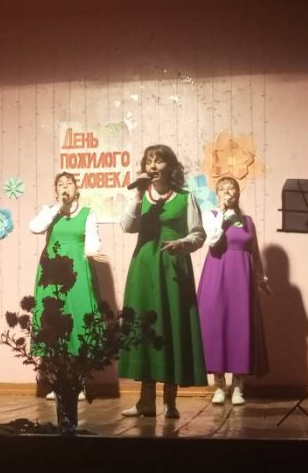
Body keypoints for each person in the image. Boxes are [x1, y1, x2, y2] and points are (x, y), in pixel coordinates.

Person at [118, 144, 207, 419]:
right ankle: (145, 402)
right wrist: (137, 195)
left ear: (171, 166)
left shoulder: (185, 198)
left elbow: (199, 234)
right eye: (149, 161)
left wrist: (183, 243)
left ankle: (170, 402)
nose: (153, 166)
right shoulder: (140, 196)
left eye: (159, 161)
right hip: (144, 268)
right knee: (145, 327)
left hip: (172, 267)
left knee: (171, 327)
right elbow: (127, 226)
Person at [29, 171, 102, 401]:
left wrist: (91, 254)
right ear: (56, 190)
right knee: (53, 322)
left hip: (77, 271)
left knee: (79, 322)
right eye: (60, 184)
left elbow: (93, 244)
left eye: (68, 183)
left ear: (76, 188)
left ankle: (80, 384)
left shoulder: (88, 213)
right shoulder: (49, 212)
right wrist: (57, 208)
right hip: (51, 272)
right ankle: (57, 384)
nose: (64, 187)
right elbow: (35, 227)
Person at [197, 176, 270, 406]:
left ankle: (238, 387)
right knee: (216, 327)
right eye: (222, 189)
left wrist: (261, 277)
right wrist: (223, 216)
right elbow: (213, 241)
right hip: (216, 274)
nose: (227, 192)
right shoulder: (211, 215)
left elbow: (254, 250)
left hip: (242, 279)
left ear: (238, 193)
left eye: (231, 188)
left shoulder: (247, 221)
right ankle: (219, 386)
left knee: (241, 329)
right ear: (216, 194)